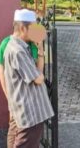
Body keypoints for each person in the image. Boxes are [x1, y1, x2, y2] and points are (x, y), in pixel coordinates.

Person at [3, 9, 54, 148]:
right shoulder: (18, 50)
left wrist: (41, 52)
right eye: (32, 28)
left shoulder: (20, 47)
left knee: (16, 140)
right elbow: (38, 78)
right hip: (29, 113)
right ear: (22, 28)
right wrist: (40, 75)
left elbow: (38, 74)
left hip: (26, 110)